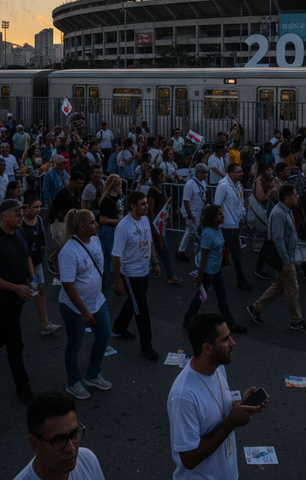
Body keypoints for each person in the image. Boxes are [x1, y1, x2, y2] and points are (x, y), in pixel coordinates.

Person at [168, 312, 269, 479]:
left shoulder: (217, 367)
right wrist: (232, 422)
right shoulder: (183, 396)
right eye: (225, 339)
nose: (233, 343)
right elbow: (189, 459)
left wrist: (241, 406)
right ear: (207, 348)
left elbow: (216, 411)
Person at [0, 199, 37, 405]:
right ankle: (23, 387)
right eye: (17, 215)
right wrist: (15, 287)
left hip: (18, 296)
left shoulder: (20, 232)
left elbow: (26, 255)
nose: (22, 218)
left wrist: (32, 277)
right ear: (5, 216)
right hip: (0, 300)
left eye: (22, 214)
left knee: (6, 332)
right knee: (15, 341)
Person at [57, 209, 111, 400]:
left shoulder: (95, 240)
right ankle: (73, 382)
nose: (97, 225)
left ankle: (93, 374)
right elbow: (68, 285)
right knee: (75, 344)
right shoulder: (69, 252)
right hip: (74, 307)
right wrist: (84, 312)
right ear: (81, 227)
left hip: (97, 302)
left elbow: (99, 266)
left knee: (104, 336)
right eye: (92, 222)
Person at [247, 185, 306, 333]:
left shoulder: (286, 210)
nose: (297, 198)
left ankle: (255, 308)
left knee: (279, 285)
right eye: (295, 195)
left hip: (287, 256)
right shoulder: (279, 213)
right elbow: (278, 239)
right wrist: (286, 261)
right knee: (293, 289)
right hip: (284, 258)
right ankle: (297, 321)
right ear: (287, 198)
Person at [111, 191, 161, 361]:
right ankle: (146, 345)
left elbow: (149, 241)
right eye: (142, 204)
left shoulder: (145, 219)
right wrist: (118, 281)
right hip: (131, 273)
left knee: (134, 302)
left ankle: (119, 326)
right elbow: (116, 255)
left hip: (144, 269)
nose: (147, 207)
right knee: (142, 309)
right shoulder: (123, 227)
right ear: (133, 207)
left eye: (146, 203)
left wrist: (155, 262)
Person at [182, 204, 245, 333]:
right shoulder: (207, 234)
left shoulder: (218, 229)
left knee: (222, 296)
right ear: (213, 218)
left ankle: (231, 324)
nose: (223, 216)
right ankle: (188, 320)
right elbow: (203, 256)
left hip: (217, 270)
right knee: (201, 296)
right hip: (208, 271)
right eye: (220, 214)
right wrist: (200, 276)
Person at [14, 390, 105, 480]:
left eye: (74, 433)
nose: (71, 448)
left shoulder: (87, 460)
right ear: (35, 444)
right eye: (59, 440)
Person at [22, 195, 62, 336]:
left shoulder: (38, 220)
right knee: (20, 293)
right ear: (26, 208)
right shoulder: (20, 223)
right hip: (22, 263)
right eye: (35, 207)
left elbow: (42, 241)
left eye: (39, 206)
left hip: (37, 262)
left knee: (39, 290)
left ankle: (45, 324)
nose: (39, 210)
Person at [214, 164, 252, 291]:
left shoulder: (237, 186)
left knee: (226, 252)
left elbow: (239, 202)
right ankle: (240, 279)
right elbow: (216, 205)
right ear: (230, 173)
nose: (241, 174)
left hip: (234, 224)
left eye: (241, 171)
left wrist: (242, 212)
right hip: (226, 225)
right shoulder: (223, 185)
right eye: (238, 172)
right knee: (234, 252)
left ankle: (214, 275)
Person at [147, 168, 182, 285]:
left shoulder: (159, 189)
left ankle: (155, 269)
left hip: (159, 223)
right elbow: (151, 209)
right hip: (156, 224)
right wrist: (153, 224)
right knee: (163, 249)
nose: (164, 177)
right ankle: (170, 275)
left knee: (157, 248)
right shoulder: (152, 191)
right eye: (162, 176)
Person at [48, 171, 84, 276]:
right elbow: (55, 210)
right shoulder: (61, 194)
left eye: (81, 184)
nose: (80, 186)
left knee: (66, 244)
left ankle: (52, 260)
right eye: (77, 183)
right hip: (58, 222)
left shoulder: (78, 193)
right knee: (65, 245)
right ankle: (63, 266)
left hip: (69, 222)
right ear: (71, 182)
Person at [176, 164, 209, 262]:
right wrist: (190, 214)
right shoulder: (190, 184)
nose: (206, 176)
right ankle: (200, 256)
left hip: (198, 212)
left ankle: (181, 251)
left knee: (190, 232)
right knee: (196, 234)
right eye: (204, 174)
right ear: (199, 173)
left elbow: (202, 196)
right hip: (193, 213)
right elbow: (186, 201)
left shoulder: (202, 182)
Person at [97, 174, 123, 284]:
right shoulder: (106, 200)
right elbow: (102, 220)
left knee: (116, 252)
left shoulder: (120, 196)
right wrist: (118, 221)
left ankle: (114, 274)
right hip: (108, 230)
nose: (119, 186)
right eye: (118, 184)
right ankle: (108, 276)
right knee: (109, 254)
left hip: (117, 229)